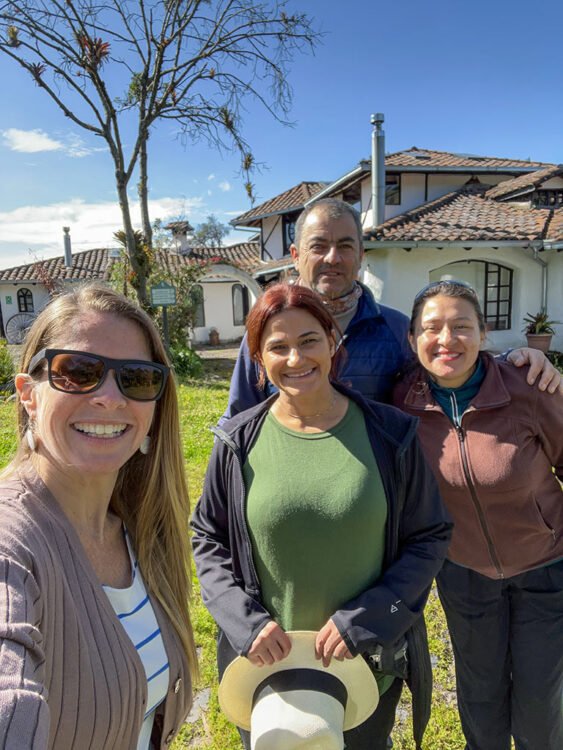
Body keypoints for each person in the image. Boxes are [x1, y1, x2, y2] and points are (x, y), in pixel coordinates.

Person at [191, 282, 453, 750]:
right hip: (265, 666)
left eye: (309, 340)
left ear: (332, 343)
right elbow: (207, 535)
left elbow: (429, 535)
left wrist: (369, 618)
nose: (296, 358)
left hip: (364, 662)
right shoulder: (236, 442)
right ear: (257, 358)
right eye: (277, 346)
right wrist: (245, 622)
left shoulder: (390, 436)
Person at [0, 284, 197, 749]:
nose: (110, 397)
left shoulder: (140, 530)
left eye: (137, 379)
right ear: (28, 394)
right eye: (78, 372)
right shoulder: (11, 540)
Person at [393, 279, 563, 750]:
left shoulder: (527, 386)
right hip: (464, 574)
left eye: (461, 326)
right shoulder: (400, 405)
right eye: (431, 328)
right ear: (412, 340)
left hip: (547, 571)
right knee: (480, 697)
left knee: (539, 703)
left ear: (484, 333)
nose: (446, 339)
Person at [222, 198, 562, 421]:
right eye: (319, 246)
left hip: (377, 497)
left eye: (345, 246)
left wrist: (515, 361)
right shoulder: (267, 332)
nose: (332, 258)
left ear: (361, 254)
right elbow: (239, 416)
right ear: (296, 255)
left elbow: (450, 374)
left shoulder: (395, 330)